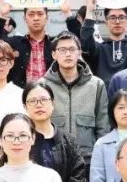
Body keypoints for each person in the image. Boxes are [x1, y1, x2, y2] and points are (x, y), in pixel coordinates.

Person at [42, 30, 110, 161]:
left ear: (79, 53)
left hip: (87, 159)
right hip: (52, 159)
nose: (68, 54)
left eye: (72, 49)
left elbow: (103, 127)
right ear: (54, 54)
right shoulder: (43, 86)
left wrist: (100, 158)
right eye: (62, 50)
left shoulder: (96, 85)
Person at [0, 1, 61, 87]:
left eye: (40, 14)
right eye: (31, 14)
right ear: (25, 18)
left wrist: (68, 14)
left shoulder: (56, 44)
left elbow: (75, 45)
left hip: (49, 94)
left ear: (47, 17)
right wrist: (1, 15)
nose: (36, 18)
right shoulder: (14, 43)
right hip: (19, 94)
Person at [81, 0, 127, 85]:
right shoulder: (99, 49)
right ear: (106, 23)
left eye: (122, 17)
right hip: (103, 93)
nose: (117, 21)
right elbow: (86, 41)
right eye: (112, 17)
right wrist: (89, 11)